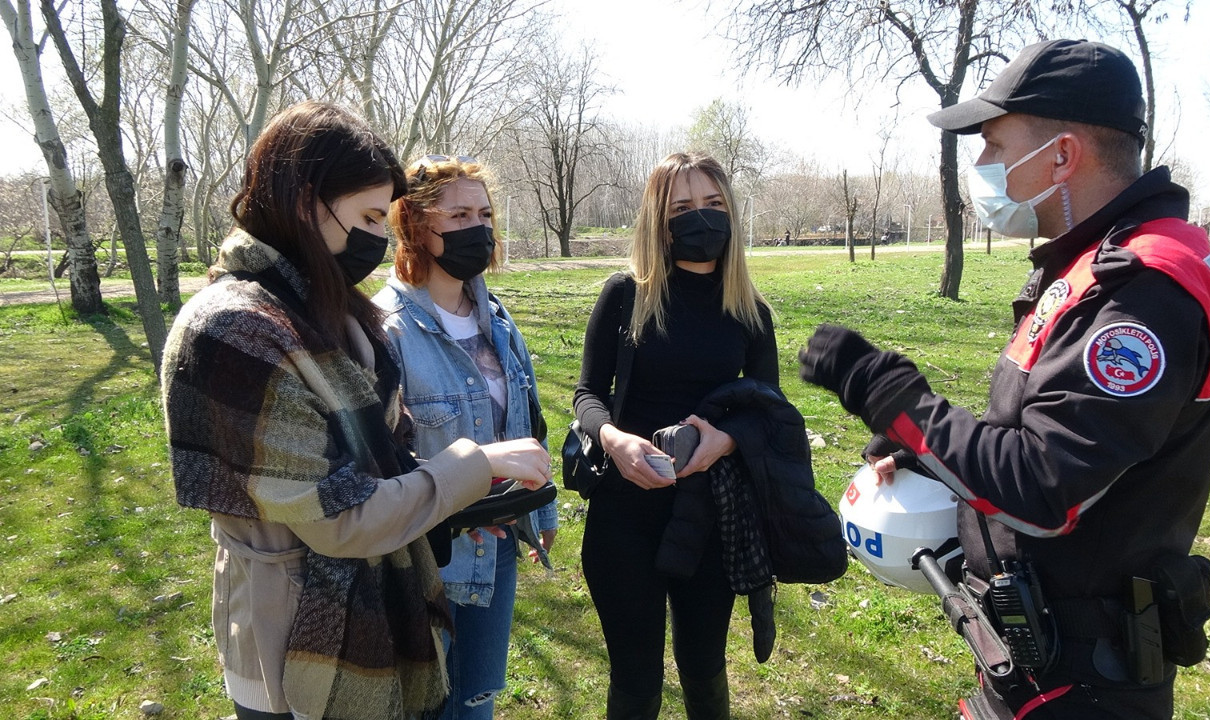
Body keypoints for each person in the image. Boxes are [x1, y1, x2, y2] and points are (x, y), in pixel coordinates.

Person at [799, 40, 1210, 719]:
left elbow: (1041, 485)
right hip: (1037, 661)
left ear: (1062, 156)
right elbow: (1040, 435)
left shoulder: (1139, 295)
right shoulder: (1094, 267)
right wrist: (926, 449)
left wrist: (883, 388)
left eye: (996, 146)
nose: (983, 166)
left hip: (1085, 683)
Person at [160, 102, 552, 720]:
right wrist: (473, 464)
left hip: (381, 621)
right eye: (368, 216)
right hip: (298, 650)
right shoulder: (234, 330)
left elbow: (381, 465)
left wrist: (459, 504)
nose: (377, 235)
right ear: (304, 201)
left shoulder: (330, 313)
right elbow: (341, 519)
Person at [572, 152, 778, 720]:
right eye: (682, 207)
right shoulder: (625, 295)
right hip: (625, 511)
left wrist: (727, 442)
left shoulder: (750, 311)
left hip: (711, 514)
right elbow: (587, 393)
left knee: (703, 666)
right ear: (658, 219)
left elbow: (768, 412)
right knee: (636, 678)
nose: (702, 219)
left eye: (714, 205)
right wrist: (613, 438)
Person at [372, 155, 558, 719]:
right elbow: (382, 463)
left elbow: (526, 419)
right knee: (427, 707)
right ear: (414, 226)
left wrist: (539, 514)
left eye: (484, 213)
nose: (477, 228)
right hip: (430, 561)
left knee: (477, 701)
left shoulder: (495, 318)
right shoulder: (386, 330)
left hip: (496, 552)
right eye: (458, 216)